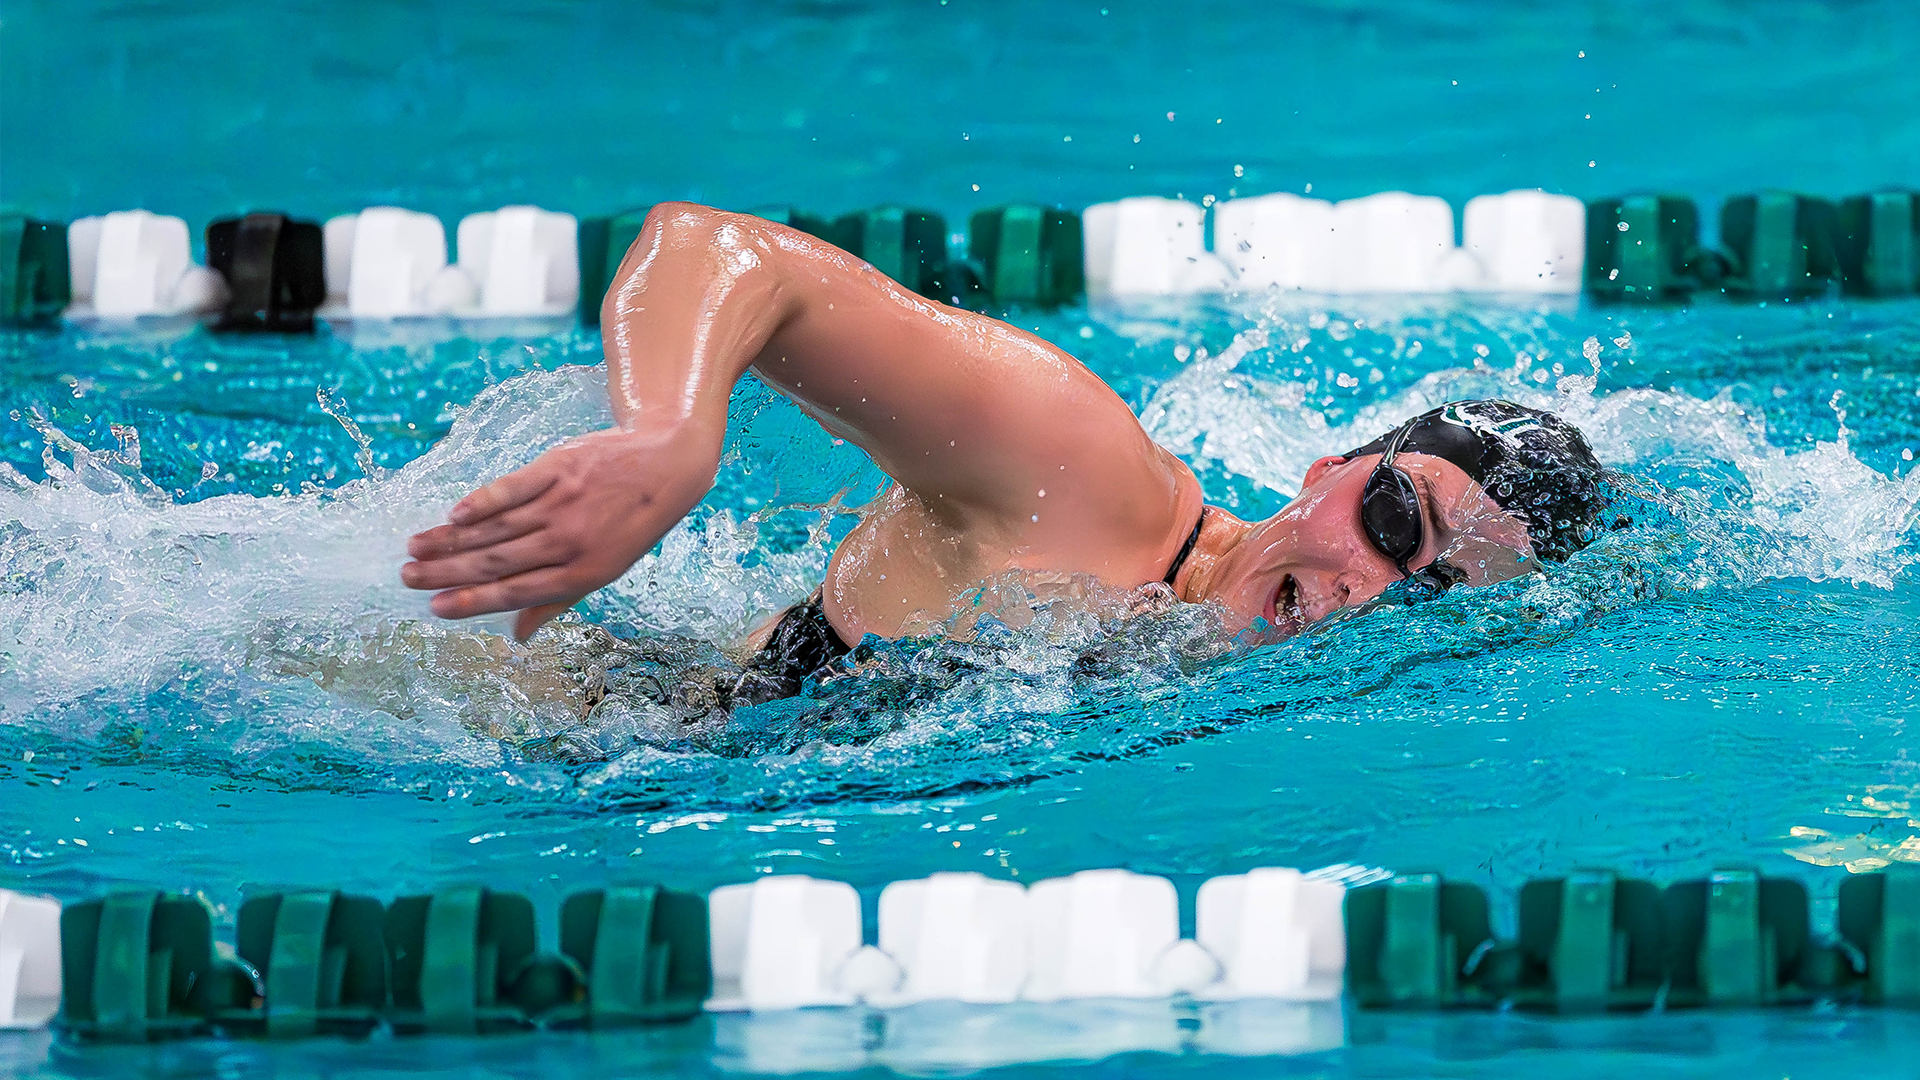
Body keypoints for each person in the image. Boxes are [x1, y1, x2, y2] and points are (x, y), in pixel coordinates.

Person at [402, 203, 1605, 702]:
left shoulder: (1243, 684)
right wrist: (669, 441)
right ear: (1329, 470)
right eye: (1397, 525)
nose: (1373, 587)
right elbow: (722, 249)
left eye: (1433, 593)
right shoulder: (1076, 470)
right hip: (538, 699)